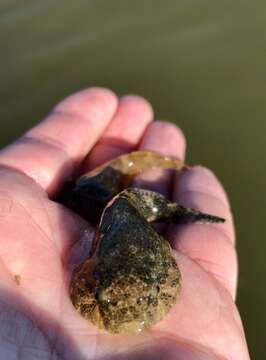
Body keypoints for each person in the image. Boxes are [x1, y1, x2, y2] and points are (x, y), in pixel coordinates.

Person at [0, 88, 249, 359]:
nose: (130, 322)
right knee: (101, 199)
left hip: (124, 218)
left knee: (115, 201)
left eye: (151, 297)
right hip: (118, 218)